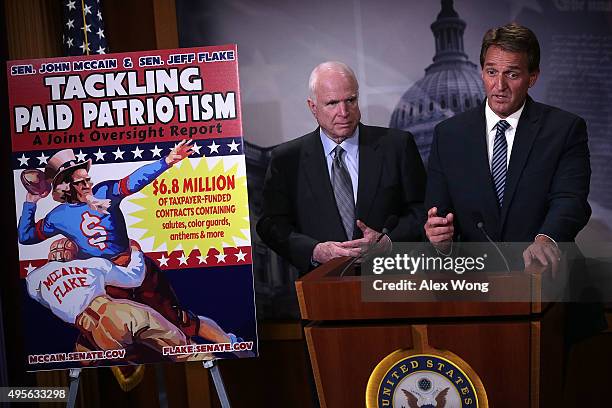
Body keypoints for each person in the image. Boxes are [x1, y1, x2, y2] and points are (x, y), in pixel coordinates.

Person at [17, 142, 223, 341]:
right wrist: (31, 201)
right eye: (81, 182)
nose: (88, 185)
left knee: (180, 321)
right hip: (108, 281)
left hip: (137, 270)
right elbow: (25, 237)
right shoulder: (57, 216)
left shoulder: (104, 192)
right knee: (108, 336)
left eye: (87, 179)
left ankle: (230, 342)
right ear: (66, 187)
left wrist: (166, 161)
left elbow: (134, 180)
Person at [424, 23, 591, 268]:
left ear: (532, 77)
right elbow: (439, 214)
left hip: (547, 278)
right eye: (492, 72)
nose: (499, 85)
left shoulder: (564, 129)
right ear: (481, 72)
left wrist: (546, 239)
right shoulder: (448, 135)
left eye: (512, 74)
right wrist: (440, 241)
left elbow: (570, 199)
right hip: (476, 283)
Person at [257, 61, 426, 273]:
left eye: (350, 100)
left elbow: (423, 210)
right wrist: (315, 251)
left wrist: (388, 243)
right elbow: (270, 225)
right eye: (332, 103)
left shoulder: (397, 146)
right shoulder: (287, 159)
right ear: (313, 107)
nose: (344, 112)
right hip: (323, 288)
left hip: (391, 282)